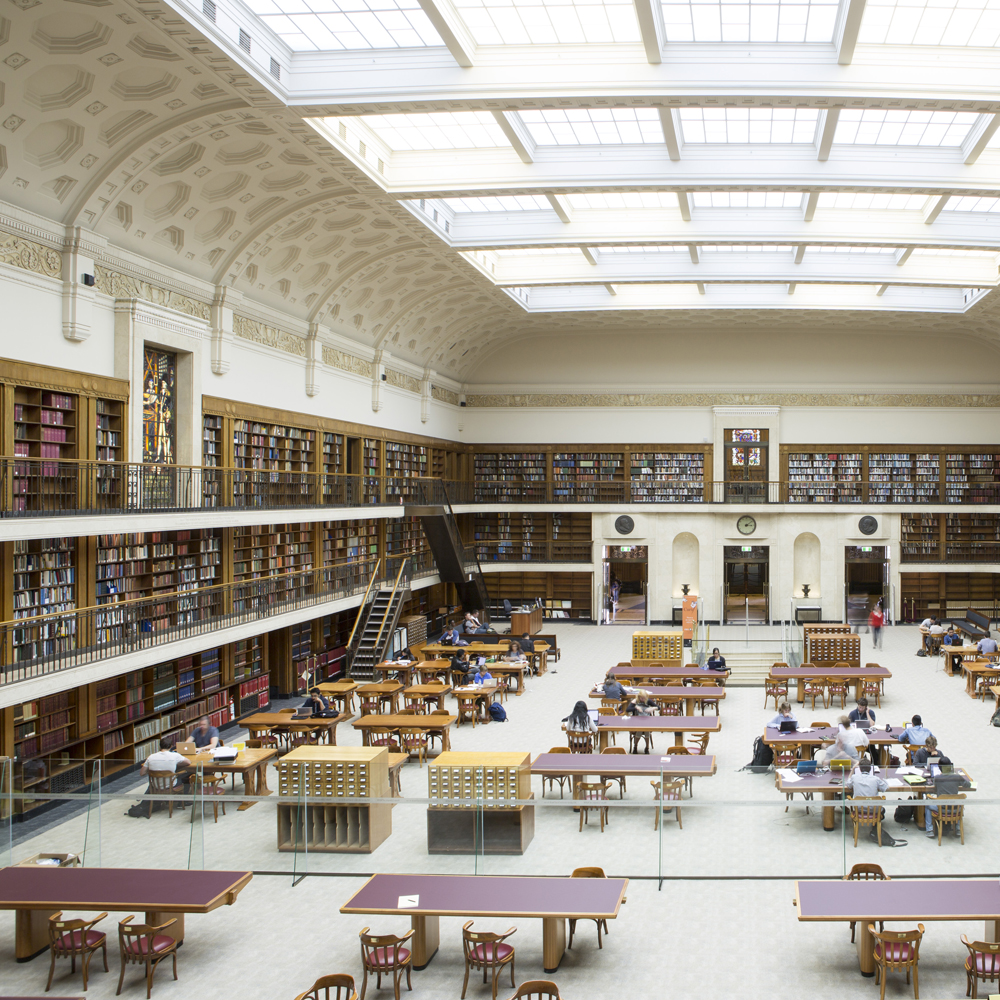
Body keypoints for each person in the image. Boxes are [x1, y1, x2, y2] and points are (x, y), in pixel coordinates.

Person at [924, 757, 971, 837]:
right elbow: (968, 784)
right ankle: (958, 829)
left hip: (941, 809)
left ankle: (930, 830)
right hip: (955, 809)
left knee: (927, 804)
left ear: (940, 768)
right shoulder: (957, 777)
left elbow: (935, 790)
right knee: (959, 804)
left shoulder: (937, 778)